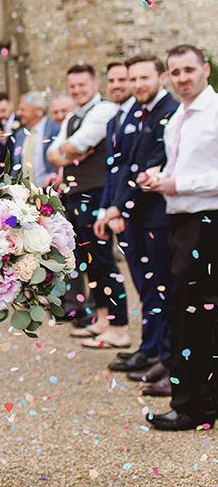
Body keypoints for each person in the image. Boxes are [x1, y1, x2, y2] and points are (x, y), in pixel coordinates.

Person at [142, 45, 218, 431]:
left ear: (205, 69)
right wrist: (159, 177)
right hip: (181, 222)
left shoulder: (215, 114)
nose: (183, 77)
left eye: (189, 69)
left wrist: (179, 183)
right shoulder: (177, 119)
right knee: (184, 313)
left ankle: (194, 407)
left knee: (196, 318)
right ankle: (198, 401)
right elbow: (179, 166)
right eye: (175, 71)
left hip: (208, 223)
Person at [101, 55, 178, 390]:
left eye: (143, 78)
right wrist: (116, 208)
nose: (136, 86)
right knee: (146, 288)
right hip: (135, 215)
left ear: (161, 77)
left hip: (157, 215)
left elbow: (152, 164)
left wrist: (121, 208)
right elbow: (124, 166)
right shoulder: (139, 110)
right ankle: (152, 350)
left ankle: (165, 356)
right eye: (132, 79)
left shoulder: (169, 111)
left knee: (160, 289)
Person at [47, 64, 130, 349]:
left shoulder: (104, 110)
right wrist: (68, 155)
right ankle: (102, 317)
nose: (77, 90)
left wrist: (69, 153)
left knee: (103, 258)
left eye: (82, 85)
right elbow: (54, 154)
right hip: (75, 194)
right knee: (87, 259)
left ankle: (119, 324)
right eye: (73, 86)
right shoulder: (72, 115)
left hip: (95, 193)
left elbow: (77, 144)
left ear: (95, 84)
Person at [12, 91, 59, 188]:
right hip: (24, 195)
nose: (18, 113)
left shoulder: (55, 129)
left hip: (50, 192)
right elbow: (16, 166)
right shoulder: (20, 134)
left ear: (38, 111)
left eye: (23, 109)